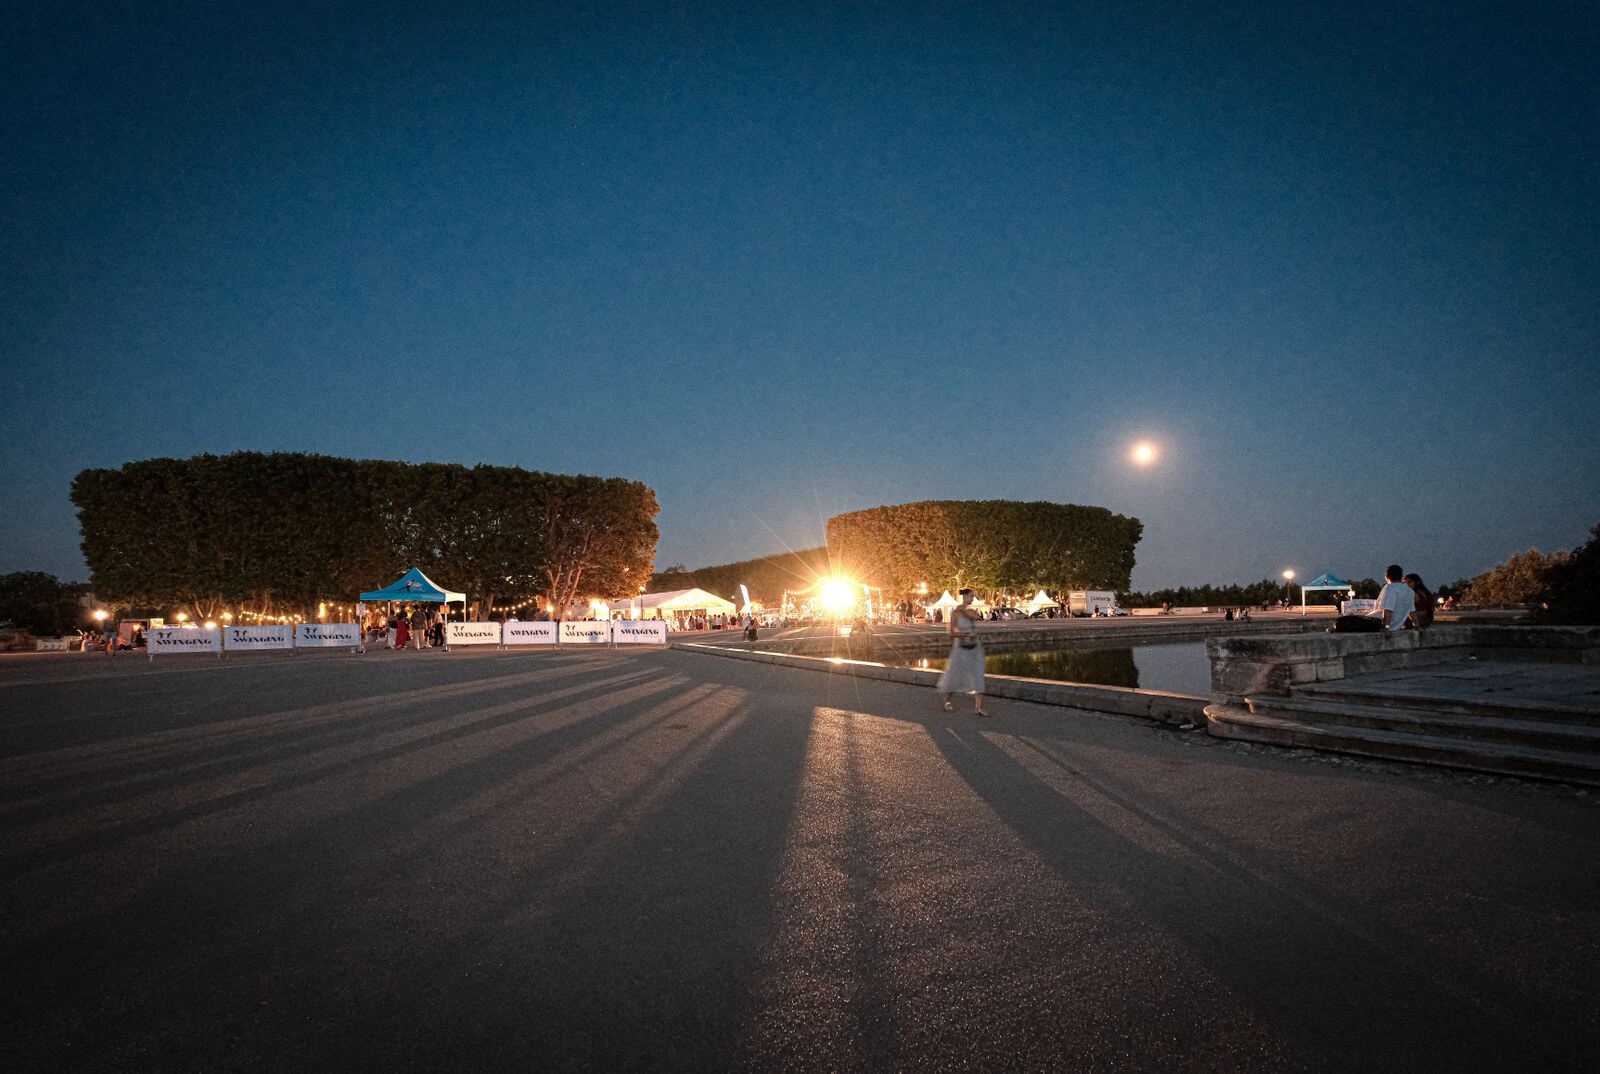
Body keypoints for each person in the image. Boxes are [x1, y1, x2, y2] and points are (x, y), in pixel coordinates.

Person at [936, 588, 987, 716]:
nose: (972, 599)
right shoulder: (956, 613)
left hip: (975, 647)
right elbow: (951, 632)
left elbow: (978, 619)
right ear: (964, 597)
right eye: (971, 596)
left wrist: (973, 617)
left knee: (978, 673)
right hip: (961, 647)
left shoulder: (971, 611)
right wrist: (964, 635)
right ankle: (947, 701)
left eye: (973, 597)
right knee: (955, 673)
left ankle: (978, 707)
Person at [1332, 565, 1414, 633]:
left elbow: (1388, 610)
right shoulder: (1409, 591)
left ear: (1387, 577)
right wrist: (1414, 626)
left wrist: (1386, 628)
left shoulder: (1390, 587)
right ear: (1401, 576)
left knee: (1342, 621)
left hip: (1378, 623)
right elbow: (1410, 612)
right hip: (1385, 625)